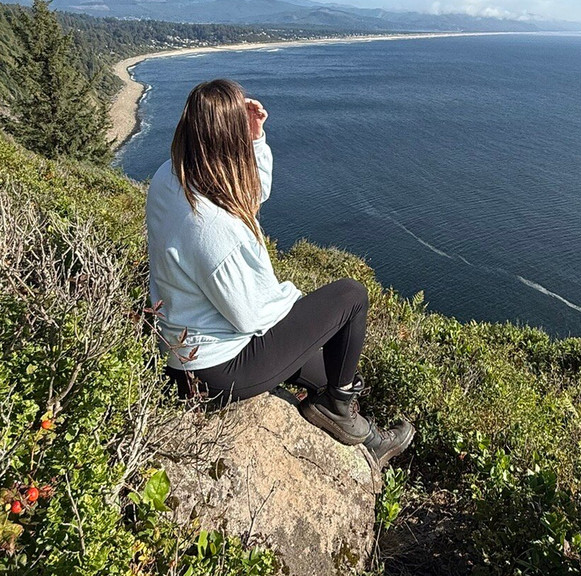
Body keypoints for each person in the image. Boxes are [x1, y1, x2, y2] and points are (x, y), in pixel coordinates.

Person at [146, 78, 413, 467]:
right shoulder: (211, 228)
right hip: (215, 373)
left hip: (185, 351)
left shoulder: (171, 177)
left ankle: (364, 435)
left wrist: (255, 139)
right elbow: (253, 316)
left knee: (327, 372)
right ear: (226, 142)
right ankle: (340, 409)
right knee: (350, 296)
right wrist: (297, 301)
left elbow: (246, 193)